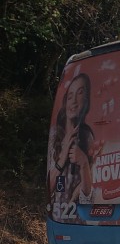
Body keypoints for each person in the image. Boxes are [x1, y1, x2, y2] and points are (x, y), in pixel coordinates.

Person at [48, 73, 95, 212]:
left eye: (80, 93)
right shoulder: (55, 136)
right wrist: (62, 159)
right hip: (58, 217)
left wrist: (84, 164)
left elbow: (88, 198)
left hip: (78, 219)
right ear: (65, 102)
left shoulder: (88, 137)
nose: (73, 101)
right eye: (70, 96)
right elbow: (49, 189)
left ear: (86, 100)